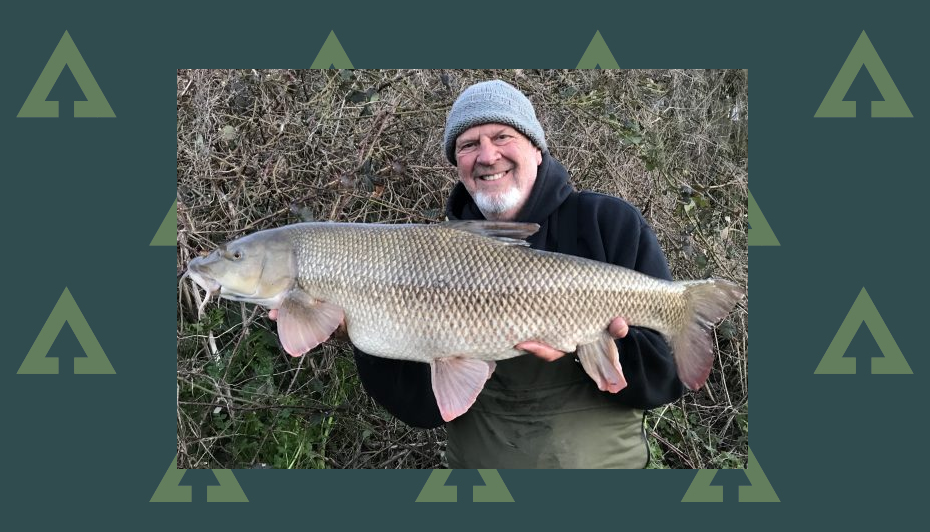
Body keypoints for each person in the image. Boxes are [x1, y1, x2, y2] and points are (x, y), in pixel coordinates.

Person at [353, 80, 685, 468]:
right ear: (457, 163)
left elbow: (665, 381)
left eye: (502, 136)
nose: (487, 155)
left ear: (536, 149)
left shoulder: (606, 224)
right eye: (468, 145)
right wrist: (361, 328)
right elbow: (421, 411)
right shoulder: (429, 253)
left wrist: (587, 344)